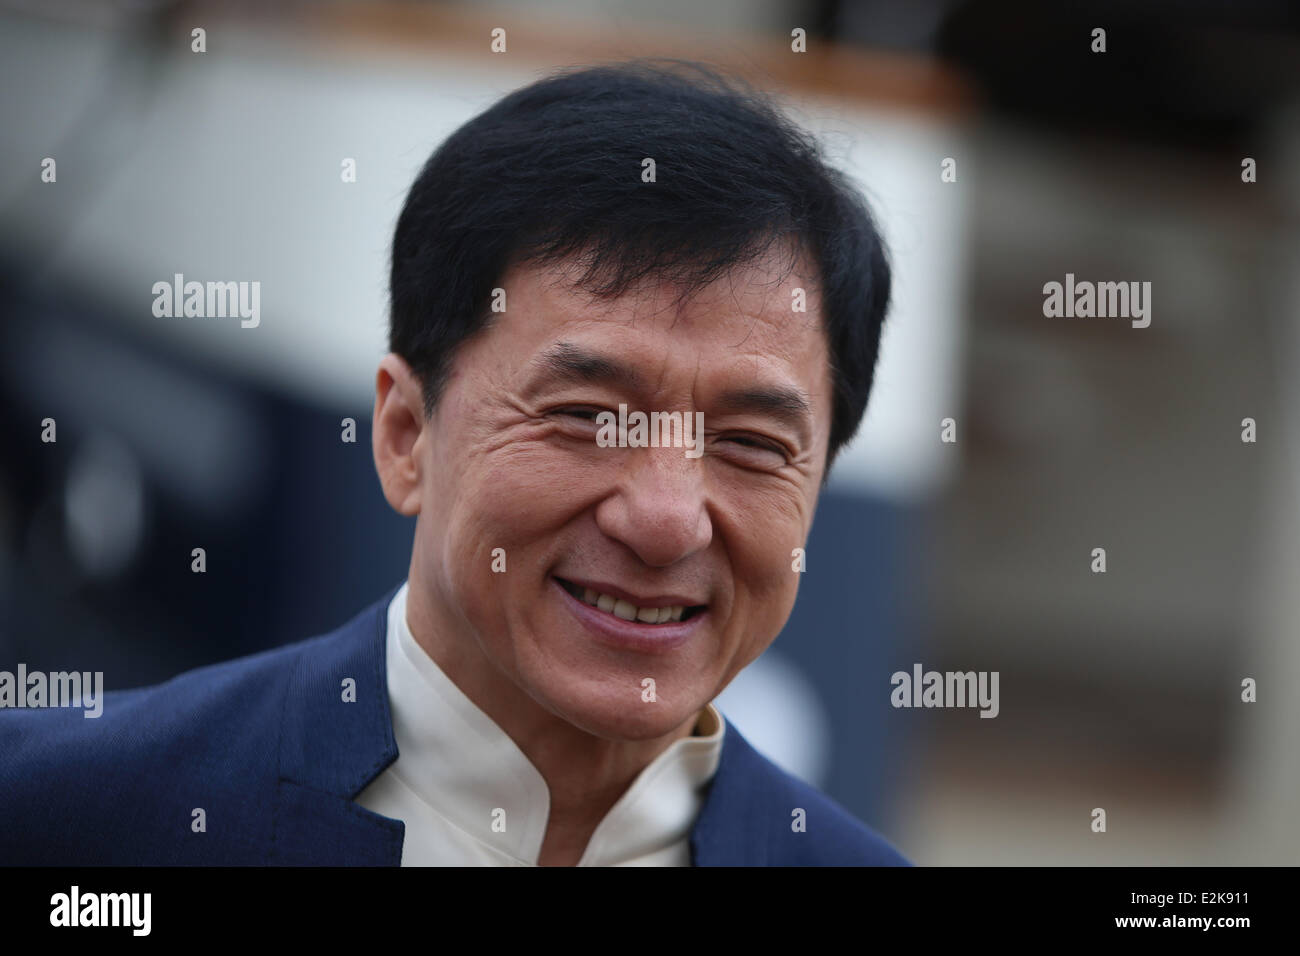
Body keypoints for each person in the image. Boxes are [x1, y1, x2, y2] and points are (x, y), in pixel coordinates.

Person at [0, 60, 906, 866]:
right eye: (587, 416)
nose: (668, 518)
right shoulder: (66, 816)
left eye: (750, 443)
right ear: (404, 435)